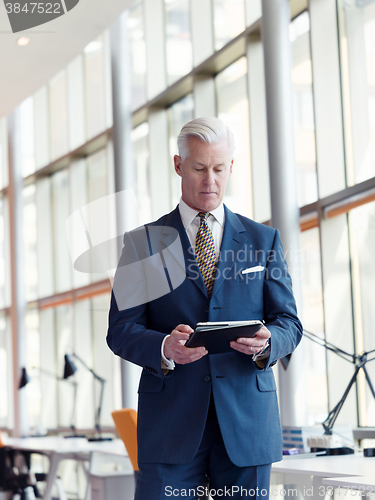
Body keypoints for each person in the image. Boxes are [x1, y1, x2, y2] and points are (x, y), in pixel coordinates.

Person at [107, 117, 302, 499]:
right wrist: (165, 347)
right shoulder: (141, 245)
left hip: (246, 423)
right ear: (178, 165)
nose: (209, 181)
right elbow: (121, 330)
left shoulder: (264, 240)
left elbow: (289, 322)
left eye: (218, 168)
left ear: (231, 167)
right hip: (170, 426)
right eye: (198, 168)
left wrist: (268, 343)